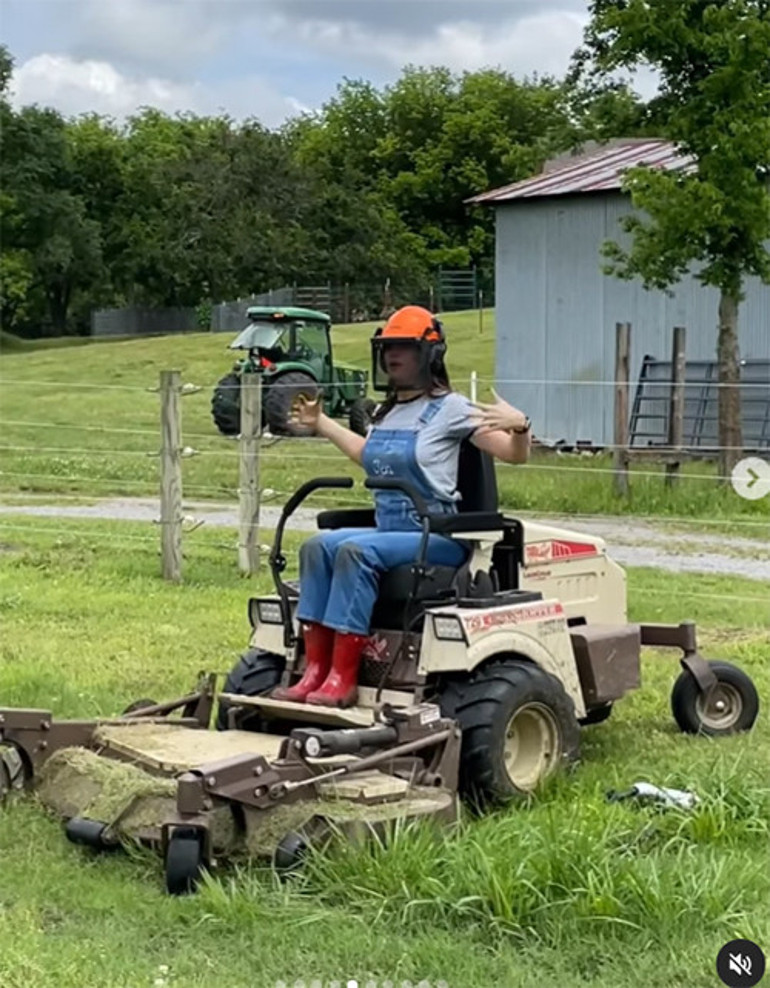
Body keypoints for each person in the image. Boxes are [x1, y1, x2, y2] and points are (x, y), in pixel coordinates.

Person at [272, 304, 532, 708]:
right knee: (316, 546)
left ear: (429, 355)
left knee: (355, 551)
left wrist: (520, 426)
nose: (393, 355)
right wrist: (322, 423)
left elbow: (515, 455)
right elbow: (368, 456)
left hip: (439, 536)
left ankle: (343, 679)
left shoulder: (452, 409)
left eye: (404, 348)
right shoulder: (387, 412)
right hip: (391, 531)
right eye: (388, 347)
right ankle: (314, 673)